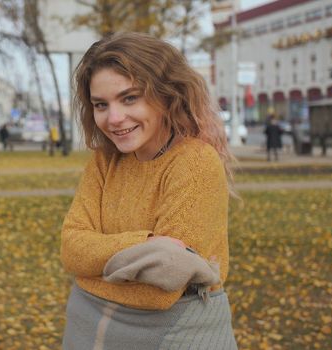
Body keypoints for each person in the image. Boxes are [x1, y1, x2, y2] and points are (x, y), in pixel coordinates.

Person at [61, 32, 237, 349]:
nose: (114, 118)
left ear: (166, 95)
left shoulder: (195, 162)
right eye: (101, 104)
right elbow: (71, 249)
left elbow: (161, 290)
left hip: (176, 336)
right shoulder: (104, 161)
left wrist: (90, 277)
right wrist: (147, 244)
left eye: (130, 98)